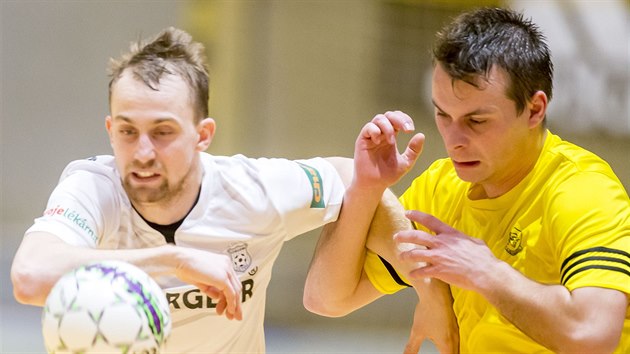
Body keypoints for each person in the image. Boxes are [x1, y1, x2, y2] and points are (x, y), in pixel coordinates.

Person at [304, 7, 629, 354]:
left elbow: (592, 335)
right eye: (443, 115)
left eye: (476, 121)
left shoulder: (582, 191)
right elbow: (326, 299)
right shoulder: (442, 188)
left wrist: (485, 272)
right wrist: (366, 189)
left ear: (534, 110)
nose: (454, 139)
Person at [10, 27, 349, 353]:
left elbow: (348, 175)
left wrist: (400, 259)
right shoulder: (94, 187)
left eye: (163, 132)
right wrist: (174, 261)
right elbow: (29, 277)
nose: (143, 153)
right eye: (128, 131)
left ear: (202, 135)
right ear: (111, 131)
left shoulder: (253, 189)